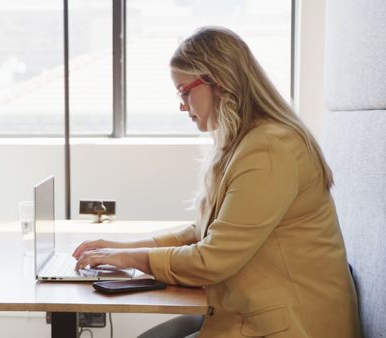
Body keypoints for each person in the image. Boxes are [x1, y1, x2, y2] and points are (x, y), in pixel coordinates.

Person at [72, 26, 362, 338]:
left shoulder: (270, 149)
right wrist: (123, 248)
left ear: (219, 82)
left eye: (185, 92)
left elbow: (212, 258)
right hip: (253, 312)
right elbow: (204, 232)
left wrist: (130, 258)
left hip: (290, 326)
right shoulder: (247, 141)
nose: (183, 106)